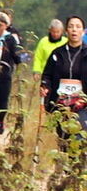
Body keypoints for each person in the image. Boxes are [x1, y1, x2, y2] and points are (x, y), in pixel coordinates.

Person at [40, 16, 87, 148]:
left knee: (79, 134)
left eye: (78, 27)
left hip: (83, 103)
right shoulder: (57, 53)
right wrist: (44, 86)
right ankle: (66, 167)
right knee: (64, 138)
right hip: (61, 103)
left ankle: (78, 164)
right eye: (71, 26)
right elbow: (47, 75)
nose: (74, 30)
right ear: (66, 31)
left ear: (83, 32)